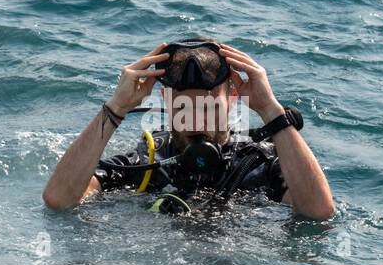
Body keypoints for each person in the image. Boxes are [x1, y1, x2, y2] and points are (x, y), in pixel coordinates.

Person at [42, 39, 336, 219]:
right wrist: (117, 107)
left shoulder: (258, 163)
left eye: (209, 110)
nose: (197, 122)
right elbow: (59, 199)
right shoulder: (148, 163)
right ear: (167, 103)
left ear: (233, 101)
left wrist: (270, 110)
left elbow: (319, 212)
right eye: (185, 109)